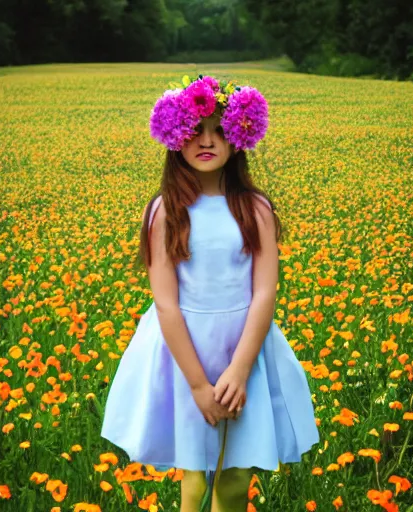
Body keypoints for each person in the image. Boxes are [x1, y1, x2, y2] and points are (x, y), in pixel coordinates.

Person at [100, 74, 320, 512]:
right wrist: (199, 385)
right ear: (174, 134)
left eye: (220, 130)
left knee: (235, 477)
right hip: (185, 352)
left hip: (245, 348)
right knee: (195, 476)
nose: (207, 140)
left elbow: (264, 294)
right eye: (196, 130)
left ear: (240, 136)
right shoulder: (164, 211)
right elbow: (165, 301)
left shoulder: (256, 209)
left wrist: (239, 371)